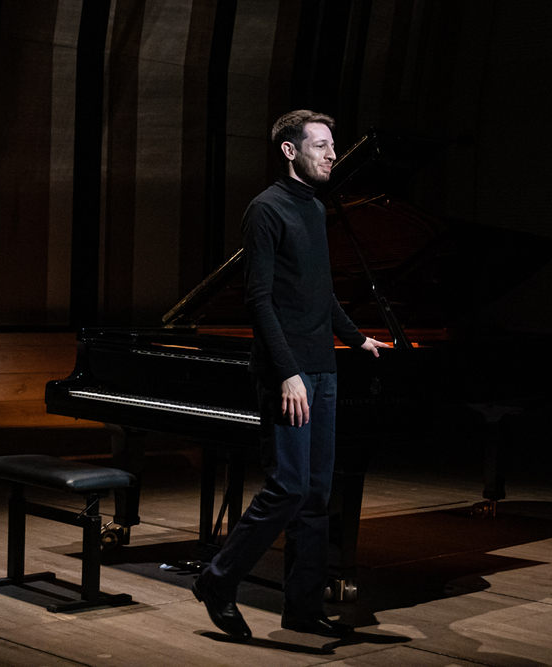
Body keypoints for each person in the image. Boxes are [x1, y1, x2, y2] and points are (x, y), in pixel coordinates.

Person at [191, 110, 389, 640]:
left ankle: (302, 609)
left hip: (324, 369)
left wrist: (355, 338)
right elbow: (258, 300)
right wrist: (287, 373)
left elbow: (319, 291)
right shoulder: (266, 210)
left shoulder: (316, 208)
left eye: (332, 145)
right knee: (287, 488)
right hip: (290, 375)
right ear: (290, 151)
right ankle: (218, 578)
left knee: (317, 495)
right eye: (321, 145)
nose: (331, 154)